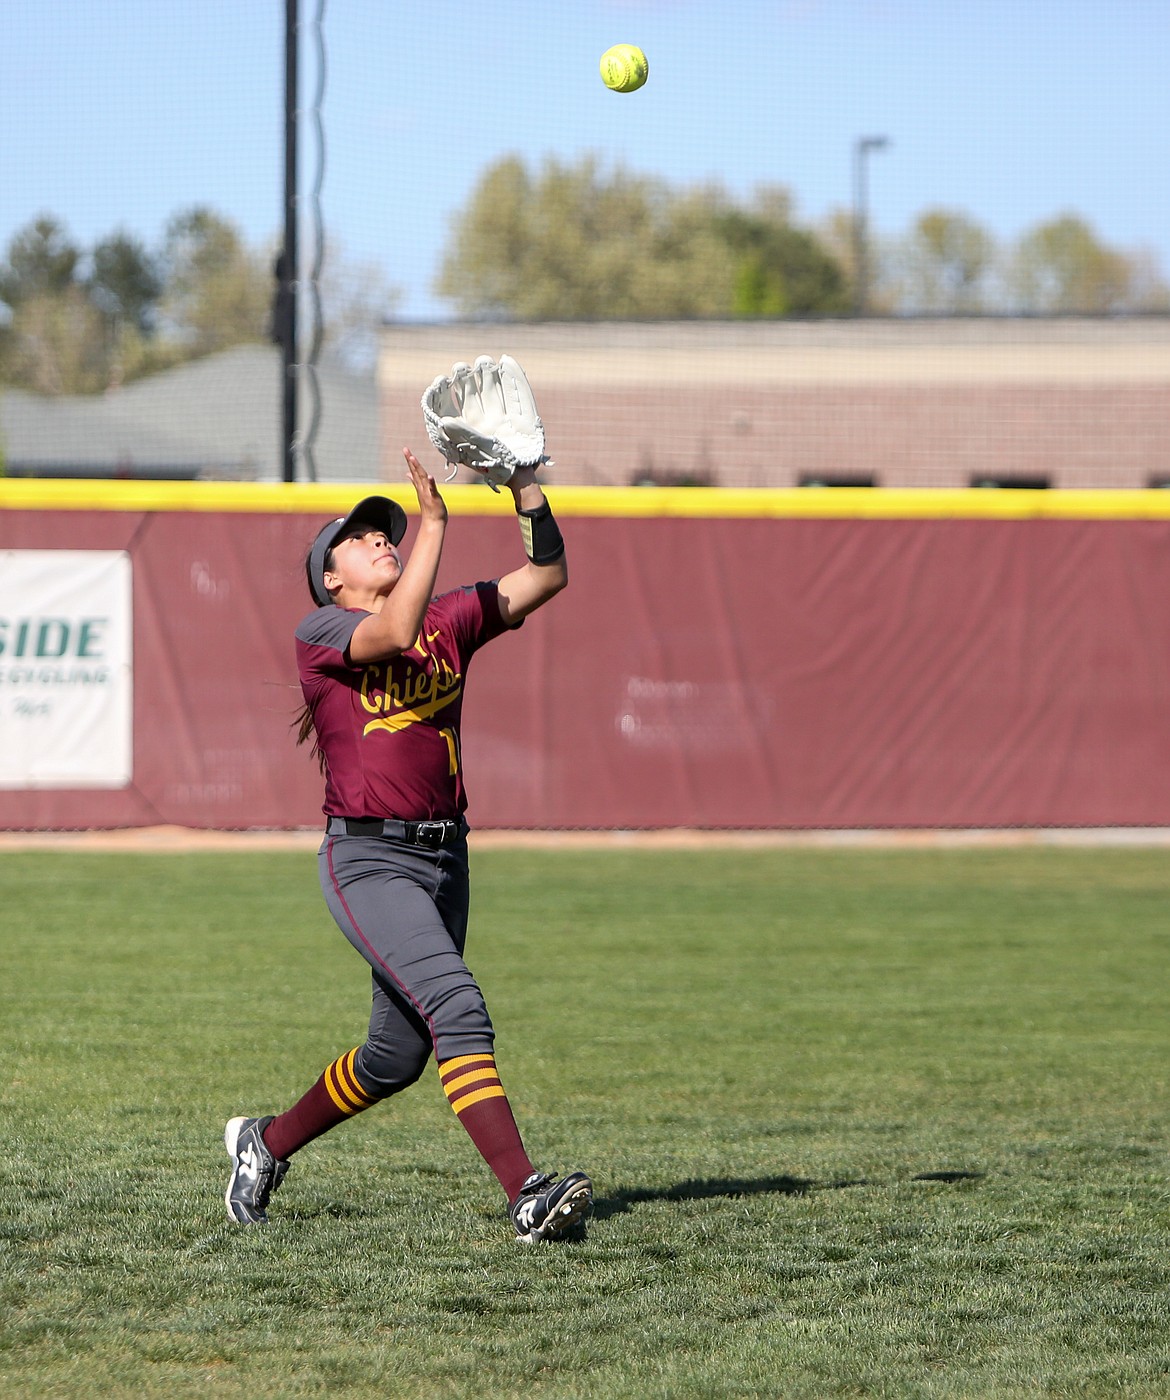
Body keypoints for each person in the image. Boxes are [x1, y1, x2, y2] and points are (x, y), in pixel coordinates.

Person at [223, 446, 592, 1243]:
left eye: (386, 533)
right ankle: (526, 1194)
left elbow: (546, 577)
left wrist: (526, 488)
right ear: (332, 577)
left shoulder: (449, 619)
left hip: (443, 856)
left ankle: (266, 1142)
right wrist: (432, 523)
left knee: (394, 1058)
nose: (380, 540)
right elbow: (390, 633)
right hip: (368, 860)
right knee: (459, 1004)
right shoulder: (321, 631)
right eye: (361, 539)